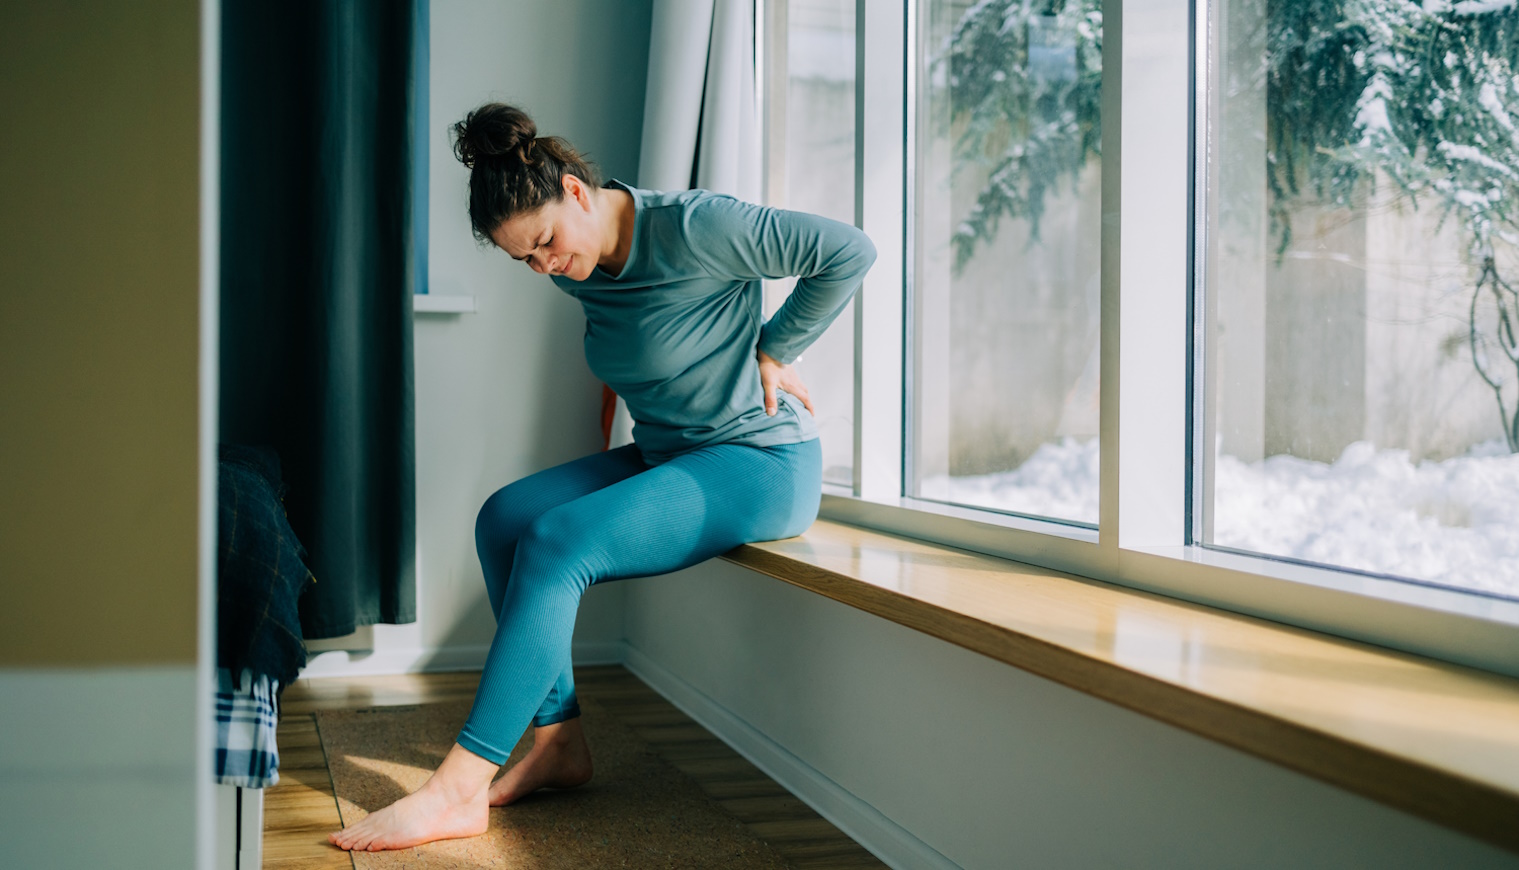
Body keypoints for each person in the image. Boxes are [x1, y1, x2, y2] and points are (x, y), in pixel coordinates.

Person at [329, 102, 875, 852]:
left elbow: (847, 249)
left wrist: (777, 348)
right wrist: (625, 378)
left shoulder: (698, 227)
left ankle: (457, 789)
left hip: (759, 461)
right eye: (526, 259)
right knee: (504, 518)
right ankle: (559, 747)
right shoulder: (577, 266)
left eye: (546, 242)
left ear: (578, 192)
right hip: (671, 451)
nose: (545, 266)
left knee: (558, 541)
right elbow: (647, 326)